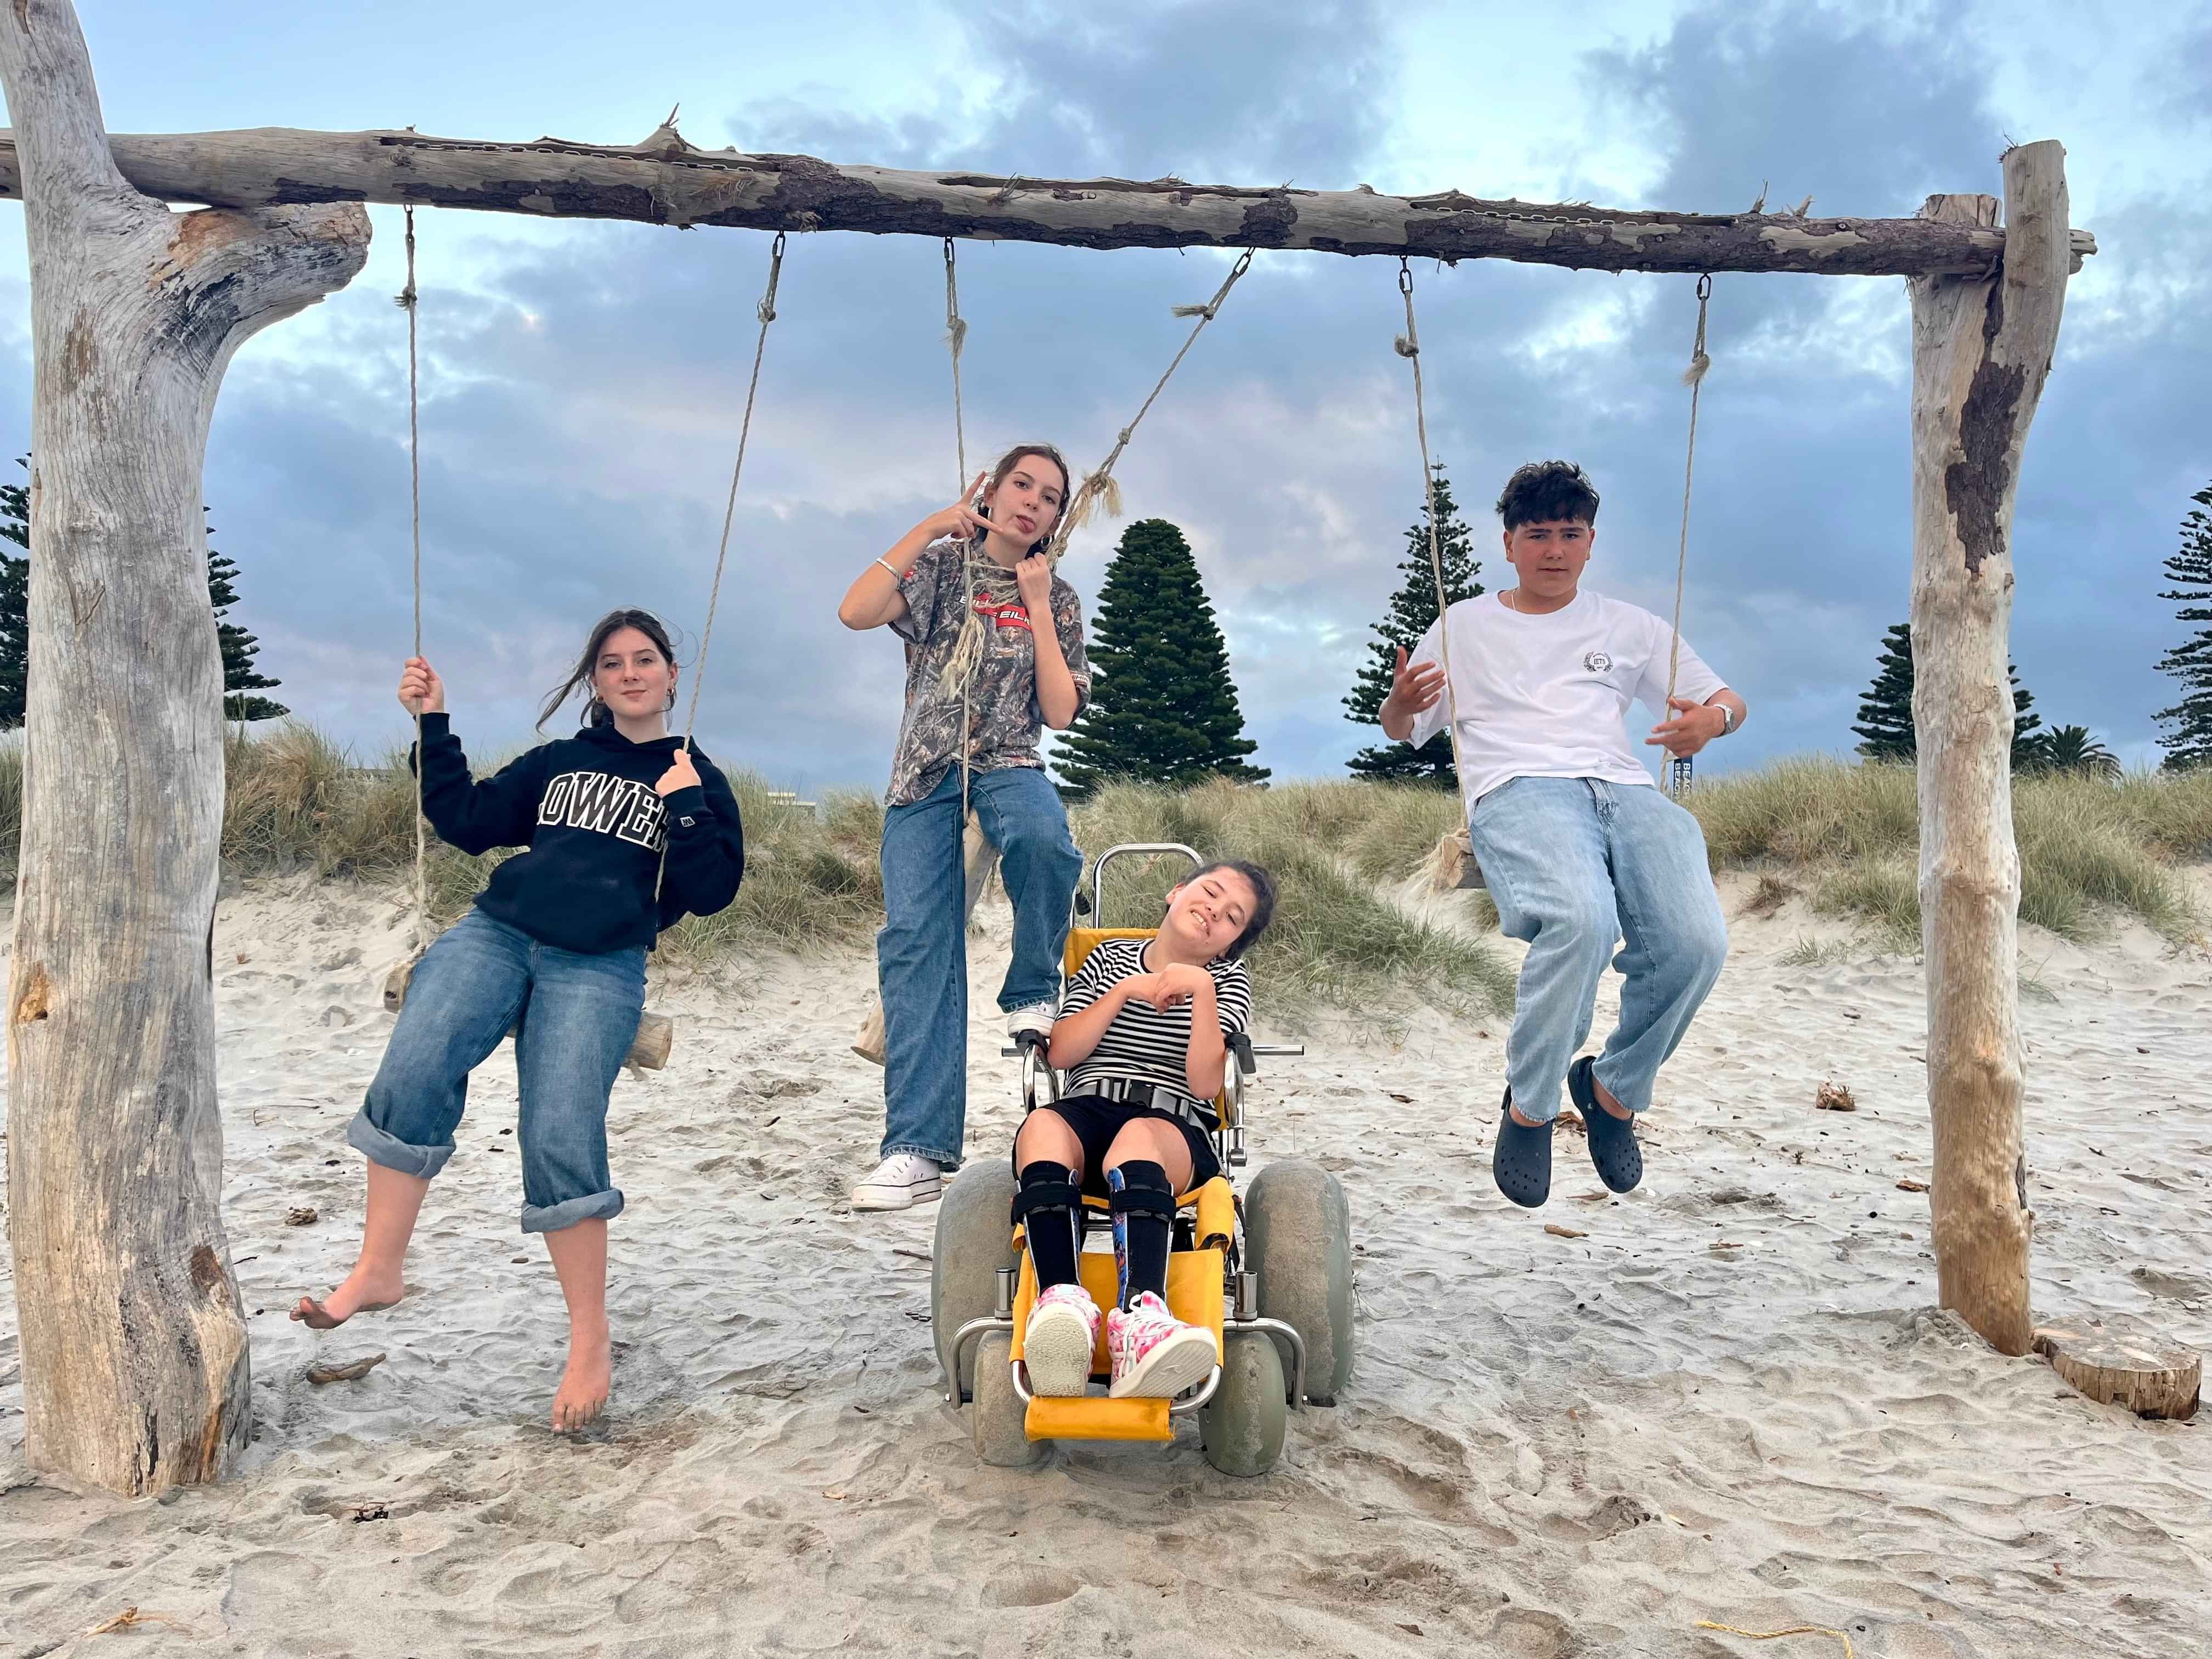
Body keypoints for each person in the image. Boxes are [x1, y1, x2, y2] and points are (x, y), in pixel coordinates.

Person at [292, 609, 746, 1432]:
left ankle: (588, 1342)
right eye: (612, 664)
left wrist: (683, 812)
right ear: (596, 683)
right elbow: (467, 821)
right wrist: (434, 723)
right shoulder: (563, 760)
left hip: (600, 962)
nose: (631, 673)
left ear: (673, 675)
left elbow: (711, 893)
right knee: (413, 1067)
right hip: (498, 934)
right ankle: (379, 1268)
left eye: (646, 660)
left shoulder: (698, 777)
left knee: (561, 1134)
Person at [1379, 460, 1742, 1209]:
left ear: (1590, 542)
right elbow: (1406, 729)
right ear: (1508, 544)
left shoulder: (1631, 627)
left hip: (1628, 791)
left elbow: (1725, 700)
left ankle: (1612, 1094)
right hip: (1520, 789)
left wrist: (1712, 722)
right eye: (1537, 535)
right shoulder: (1463, 625)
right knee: (1581, 922)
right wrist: (1397, 700)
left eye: (1569, 535)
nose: (1554, 550)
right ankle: (1532, 1105)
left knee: (1697, 943)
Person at [836, 444, 1091, 1212]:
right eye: (1022, 485)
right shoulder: (943, 569)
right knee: (918, 947)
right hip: (926, 772)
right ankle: (915, 1149)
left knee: (1049, 845)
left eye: (1049, 498)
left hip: (1010, 762)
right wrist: (930, 526)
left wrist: (1039, 606)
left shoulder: (1060, 594)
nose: (1031, 503)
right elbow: (855, 612)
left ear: (1056, 518)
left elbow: (1059, 711)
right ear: (992, 488)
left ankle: (1033, 990)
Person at [1011, 860, 1275, 1398]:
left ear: (1229, 945)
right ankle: (1062, 1305)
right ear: (1177, 891)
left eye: (1232, 917)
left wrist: (1201, 990)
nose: (1213, 911)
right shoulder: (1107, 960)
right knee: (1041, 1126)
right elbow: (1061, 1052)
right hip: (1088, 1105)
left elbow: (1205, 1084)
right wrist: (1125, 991)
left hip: (1172, 1122)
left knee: (1138, 1138)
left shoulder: (1226, 980)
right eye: (1210, 892)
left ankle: (1140, 1319)